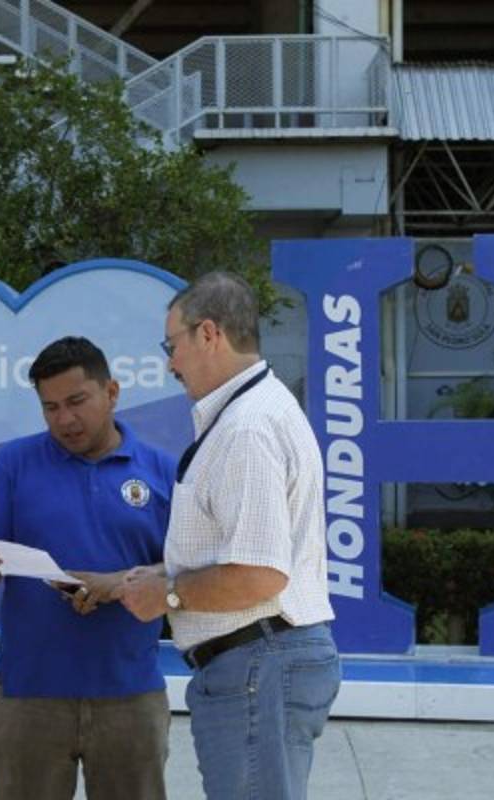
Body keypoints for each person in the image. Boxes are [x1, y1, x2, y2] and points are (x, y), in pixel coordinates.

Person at [119, 271, 341, 800]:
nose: (169, 362)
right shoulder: (257, 411)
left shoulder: (247, 427)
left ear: (209, 334)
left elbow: (259, 575)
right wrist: (169, 575)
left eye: (171, 344)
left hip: (257, 665)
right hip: (260, 663)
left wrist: (169, 593)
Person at [0, 336, 175, 800]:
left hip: (130, 695)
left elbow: (187, 571)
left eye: (76, 401)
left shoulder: (161, 471)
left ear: (111, 392)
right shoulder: (13, 463)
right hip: (28, 696)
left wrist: (121, 584)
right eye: (50, 408)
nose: (64, 420)